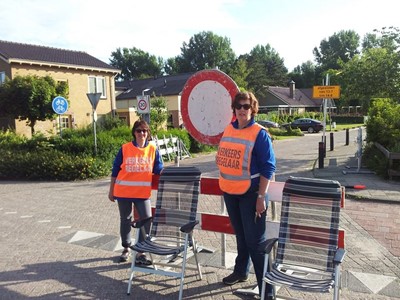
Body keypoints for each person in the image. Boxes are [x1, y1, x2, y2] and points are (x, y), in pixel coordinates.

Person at [215, 91, 276, 300]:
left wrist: (261, 196)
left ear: (253, 109)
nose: (242, 110)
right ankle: (241, 271)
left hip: (252, 194)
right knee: (241, 236)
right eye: (239, 106)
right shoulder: (228, 129)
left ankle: (267, 291)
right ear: (234, 108)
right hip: (231, 192)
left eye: (246, 106)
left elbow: (269, 167)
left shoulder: (260, 134)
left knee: (256, 242)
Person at [108, 120, 164, 263]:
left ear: (148, 133)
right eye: (138, 131)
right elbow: (115, 171)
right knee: (125, 220)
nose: (142, 133)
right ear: (134, 132)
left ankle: (140, 251)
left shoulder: (152, 149)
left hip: (142, 194)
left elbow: (159, 169)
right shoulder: (125, 148)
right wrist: (111, 190)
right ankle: (126, 248)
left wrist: (172, 174)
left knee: (146, 220)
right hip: (123, 192)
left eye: (144, 131)